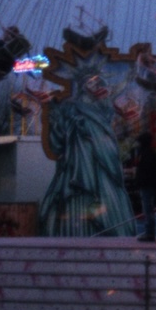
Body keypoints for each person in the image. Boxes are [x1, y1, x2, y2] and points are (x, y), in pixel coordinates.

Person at [38, 66, 136, 237]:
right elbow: (57, 141)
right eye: (92, 83)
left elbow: (113, 126)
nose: (97, 87)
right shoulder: (71, 108)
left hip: (103, 164)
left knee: (103, 192)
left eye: (98, 83)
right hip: (77, 164)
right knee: (80, 194)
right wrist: (52, 113)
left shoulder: (104, 109)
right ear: (82, 85)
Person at [133, 131, 156, 242]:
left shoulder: (146, 153)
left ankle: (149, 233)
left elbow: (145, 171)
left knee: (147, 209)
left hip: (146, 185)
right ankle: (149, 232)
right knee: (147, 209)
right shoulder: (148, 152)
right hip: (148, 184)